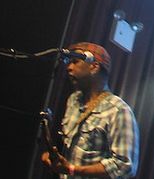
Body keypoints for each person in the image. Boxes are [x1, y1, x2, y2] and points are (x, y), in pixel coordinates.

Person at [42, 42, 138, 178]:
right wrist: (52, 157)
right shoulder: (73, 100)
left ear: (94, 67)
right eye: (69, 62)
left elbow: (125, 167)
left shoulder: (119, 110)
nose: (69, 67)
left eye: (75, 62)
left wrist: (73, 170)